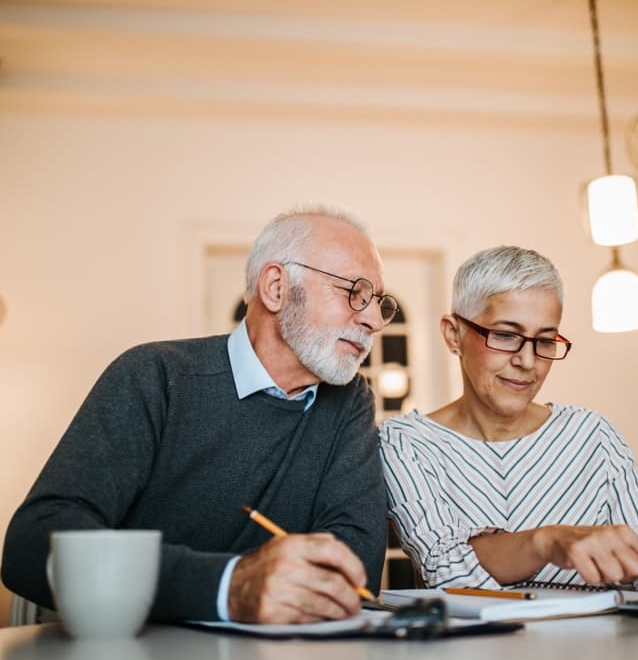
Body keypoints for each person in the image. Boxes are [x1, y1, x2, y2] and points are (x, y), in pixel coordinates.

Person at [2, 204, 399, 624]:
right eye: (354, 291)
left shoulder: (349, 400)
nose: (374, 320)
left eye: (378, 302)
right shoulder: (155, 376)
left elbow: (353, 569)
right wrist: (229, 586)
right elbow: (32, 545)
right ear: (276, 288)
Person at [380, 245, 638, 596]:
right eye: (505, 335)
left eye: (545, 341)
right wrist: (547, 542)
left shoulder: (593, 435)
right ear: (454, 334)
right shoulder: (405, 442)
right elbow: (447, 572)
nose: (527, 362)